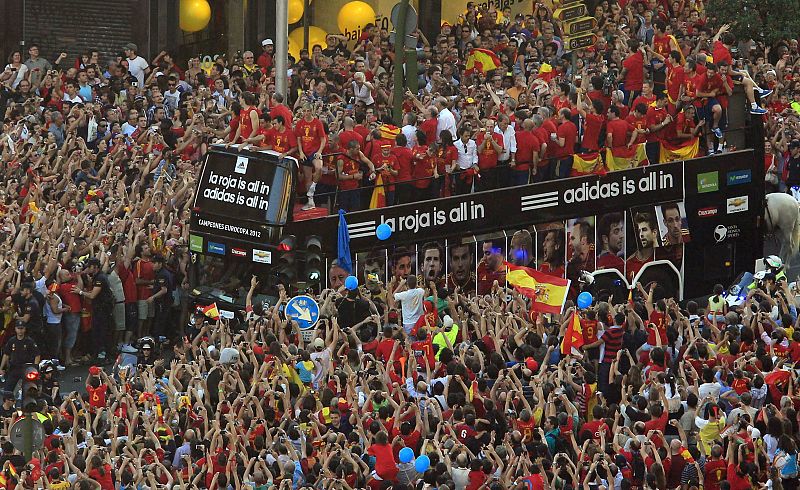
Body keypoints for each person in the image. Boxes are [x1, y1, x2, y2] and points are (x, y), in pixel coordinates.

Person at [0, 321, 40, 394]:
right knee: (7, 391)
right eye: (18, 328)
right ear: (15, 329)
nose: (20, 331)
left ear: (25, 329)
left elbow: (37, 355)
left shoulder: (29, 341)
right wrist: (1, 368)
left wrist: (35, 368)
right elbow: (6, 355)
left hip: (26, 368)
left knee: (28, 391)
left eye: (22, 328)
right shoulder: (12, 341)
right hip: (14, 368)